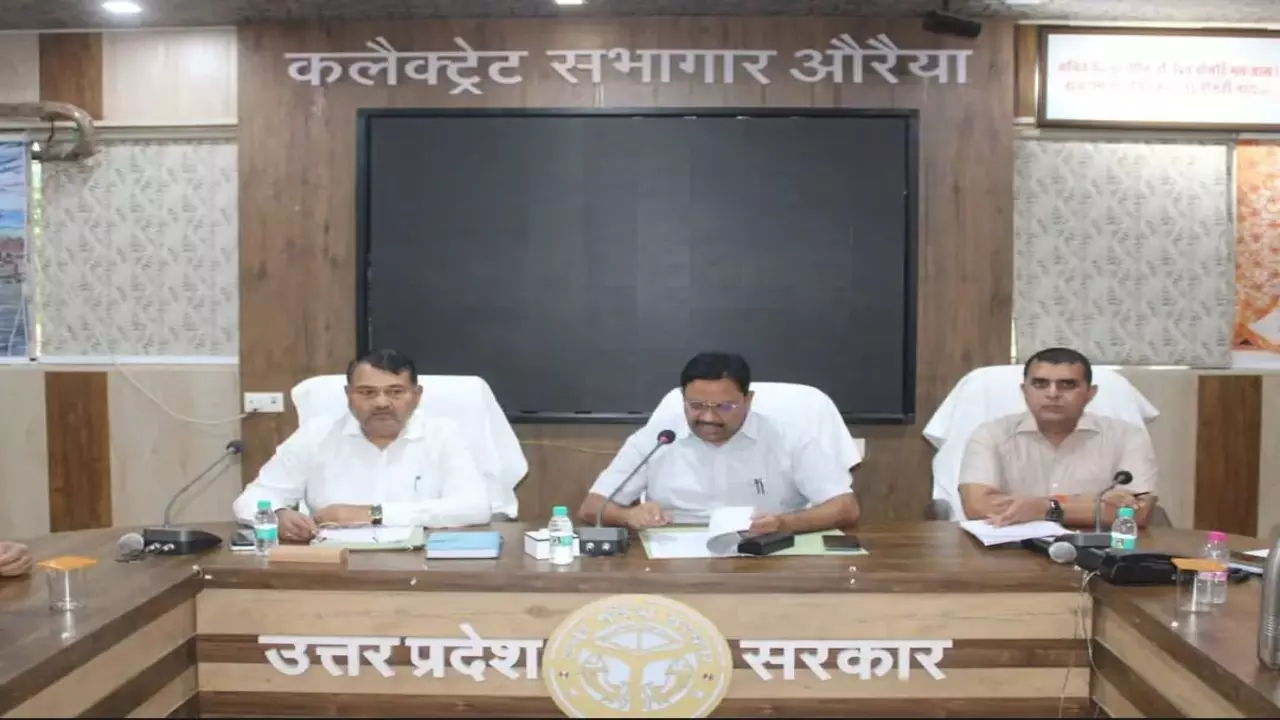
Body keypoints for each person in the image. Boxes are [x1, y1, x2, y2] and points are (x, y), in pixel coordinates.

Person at [577, 351, 860, 537]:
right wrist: (628, 516)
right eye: (696, 406)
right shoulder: (658, 439)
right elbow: (592, 507)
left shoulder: (789, 436)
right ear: (682, 399)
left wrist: (784, 523)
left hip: (766, 549)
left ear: (748, 400)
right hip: (674, 556)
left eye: (724, 407)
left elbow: (845, 508)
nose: (708, 418)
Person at [232, 349, 491, 542]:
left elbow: (475, 508)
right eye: (367, 392)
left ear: (416, 395)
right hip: (334, 567)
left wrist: (373, 513)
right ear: (348, 395)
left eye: (395, 392)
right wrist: (277, 514)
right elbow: (252, 497)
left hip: (421, 565)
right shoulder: (317, 435)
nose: (381, 403)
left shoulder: (443, 435)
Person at [957, 347, 1159, 528]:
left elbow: (1137, 513)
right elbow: (977, 507)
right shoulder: (990, 434)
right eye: (1040, 384)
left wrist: (1043, 508)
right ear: (1024, 391)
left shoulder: (1128, 436)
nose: (1053, 394)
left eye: (1067, 385)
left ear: (1090, 393)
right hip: (1009, 548)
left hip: (1099, 547)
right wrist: (1090, 503)